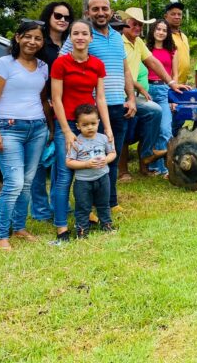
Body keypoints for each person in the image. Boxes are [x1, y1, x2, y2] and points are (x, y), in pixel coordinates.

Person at [61, 0, 136, 211]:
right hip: (92, 111)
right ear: (88, 13)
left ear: (111, 11)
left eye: (104, 8)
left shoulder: (116, 36)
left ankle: (110, 202)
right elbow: (63, 62)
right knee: (91, 157)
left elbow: (125, 69)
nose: (100, 13)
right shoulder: (81, 35)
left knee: (112, 155)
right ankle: (90, 205)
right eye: (95, 9)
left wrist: (130, 98)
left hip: (118, 106)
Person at [0, 20, 52, 251]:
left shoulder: (43, 66)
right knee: (14, 183)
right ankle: (2, 235)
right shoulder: (4, 64)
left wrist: (50, 127)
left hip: (37, 129)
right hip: (8, 128)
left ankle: (20, 227)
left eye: (38, 38)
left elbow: (43, 100)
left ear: (42, 42)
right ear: (18, 37)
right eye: (28, 36)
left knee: (27, 183)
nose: (32, 42)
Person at [51, 19, 113, 244]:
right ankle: (61, 228)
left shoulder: (97, 64)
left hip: (90, 124)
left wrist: (106, 127)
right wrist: (67, 131)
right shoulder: (61, 63)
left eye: (84, 33)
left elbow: (101, 98)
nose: (79, 37)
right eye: (75, 33)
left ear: (90, 37)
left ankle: (88, 216)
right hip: (67, 124)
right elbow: (55, 99)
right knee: (65, 177)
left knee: (95, 170)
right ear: (71, 38)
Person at [117, 7, 187, 178]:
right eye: (134, 24)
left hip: (136, 93)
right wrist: (139, 87)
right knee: (124, 129)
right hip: (118, 93)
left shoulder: (138, 42)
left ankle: (147, 156)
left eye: (140, 25)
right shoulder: (118, 41)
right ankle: (123, 171)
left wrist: (171, 82)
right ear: (125, 24)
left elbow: (153, 62)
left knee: (154, 113)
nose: (137, 28)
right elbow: (119, 72)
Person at [30, 1, 74, 223]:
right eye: (58, 15)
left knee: (60, 159)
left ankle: (61, 205)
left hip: (64, 107)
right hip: (38, 106)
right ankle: (39, 209)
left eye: (67, 17)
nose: (62, 20)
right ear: (48, 16)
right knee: (38, 162)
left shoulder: (71, 43)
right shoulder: (39, 43)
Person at [65, 104, 116, 238]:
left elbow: (112, 153)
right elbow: (69, 162)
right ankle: (82, 231)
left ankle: (107, 225)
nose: (90, 127)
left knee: (104, 204)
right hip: (83, 182)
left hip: (103, 178)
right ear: (78, 126)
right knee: (83, 207)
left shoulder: (103, 138)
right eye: (85, 124)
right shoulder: (76, 142)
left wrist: (106, 159)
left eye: (93, 123)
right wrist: (86, 164)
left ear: (98, 122)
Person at [145, 19, 177, 177]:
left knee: (165, 129)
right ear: (152, 31)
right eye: (158, 29)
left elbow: (174, 75)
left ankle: (167, 166)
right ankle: (154, 167)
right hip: (147, 90)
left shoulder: (171, 50)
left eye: (164, 30)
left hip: (164, 89)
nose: (161, 32)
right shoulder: (145, 49)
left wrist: (173, 98)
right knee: (153, 131)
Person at [163, 2, 190, 85]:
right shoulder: (164, 36)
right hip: (168, 85)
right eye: (173, 14)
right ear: (166, 16)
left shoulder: (184, 37)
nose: (177, 17)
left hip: (183, 84)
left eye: (179, 14)